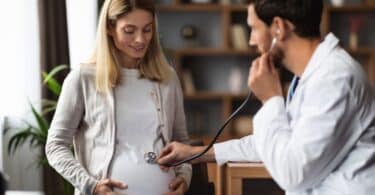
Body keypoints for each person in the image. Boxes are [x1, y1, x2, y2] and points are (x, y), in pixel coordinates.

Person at [158, 0, 375, 194]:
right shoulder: (313, 75)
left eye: (253, 28)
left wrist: (271, 100)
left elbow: (293, 174)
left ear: (278, 27)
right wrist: (196, 153)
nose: (251, 41)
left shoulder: (334, 79)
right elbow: (274, 142)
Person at [45, 0, 191, 195]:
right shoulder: (82, 79)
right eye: (129, 31)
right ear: (109, 28)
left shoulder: (167, 78)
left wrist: (184, 177)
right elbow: (55, 146)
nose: (140, 39)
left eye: (147, 30)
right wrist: (92, 186)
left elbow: (181, 141)